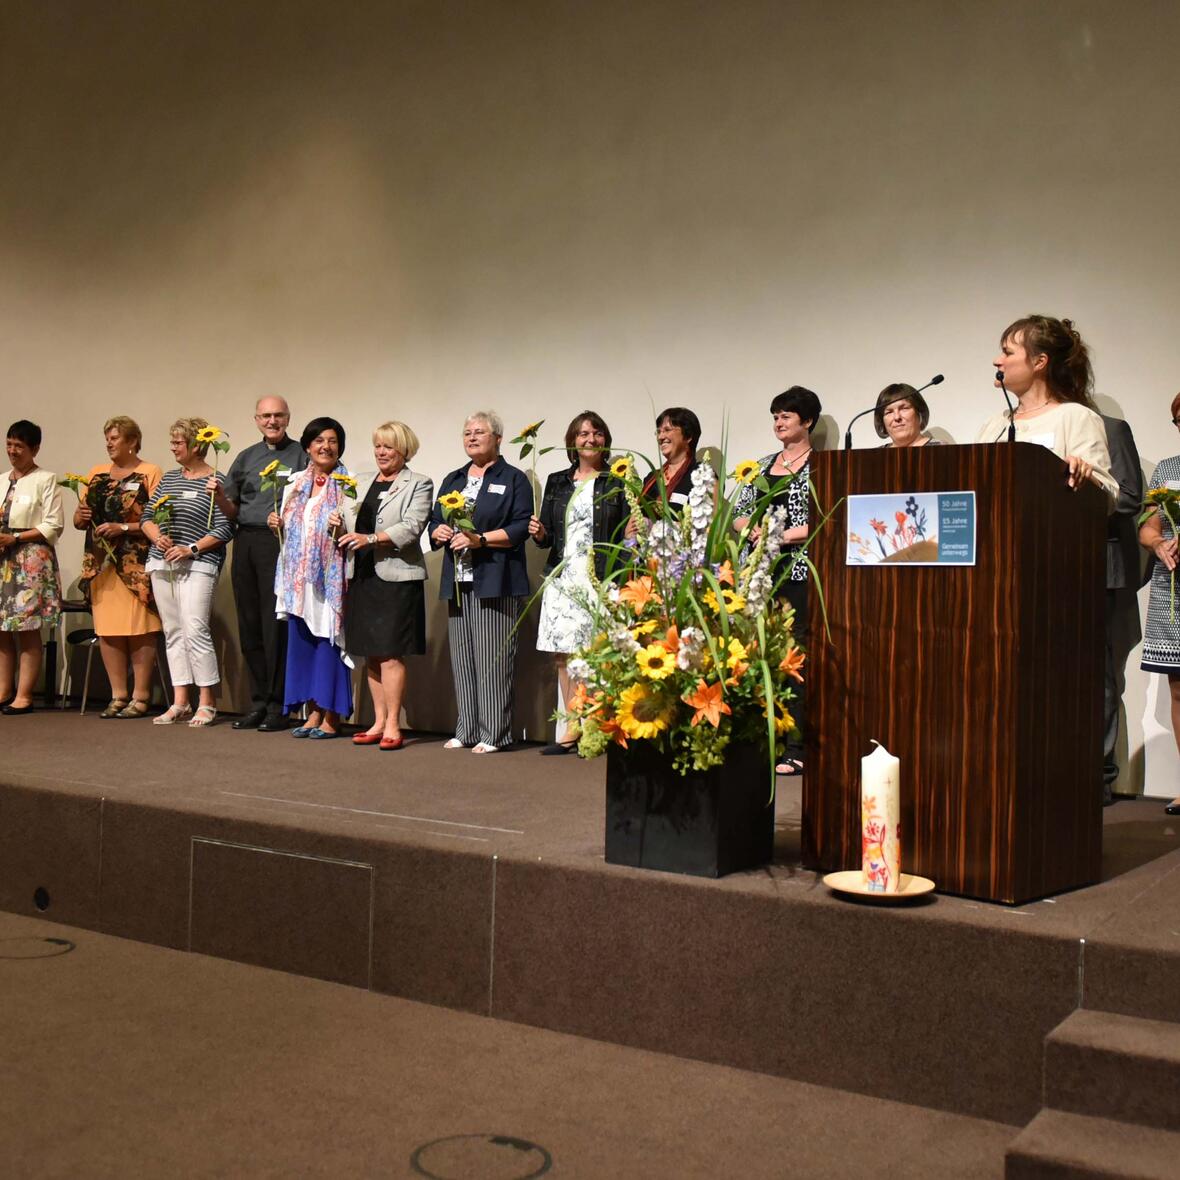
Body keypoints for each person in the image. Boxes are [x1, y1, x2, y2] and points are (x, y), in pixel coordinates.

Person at [428, 411, 531, 753]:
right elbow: (433, 521)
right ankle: (467, 727)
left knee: (493, 660)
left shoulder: (513, 478)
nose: (472, 437)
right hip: (458, 580)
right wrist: (438, 530)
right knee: (463, 659)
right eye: (467, 432)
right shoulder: (454, 478)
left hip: (495, 580)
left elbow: (519, 528)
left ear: (498, 438)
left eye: (480, 432)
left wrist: (481, 540)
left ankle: (494, 733)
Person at [734, 385, 823, 777]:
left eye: (787, 415)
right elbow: (737, 512)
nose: (779, 422)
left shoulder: (823, 465)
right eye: (775, 416)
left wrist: (782, 535)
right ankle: (761, 740)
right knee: (759, 655)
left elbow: (825, 517)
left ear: (807, 420)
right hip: (758, 571)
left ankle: (798, 746)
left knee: (795, 657)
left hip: (798, 571)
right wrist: (751, 531)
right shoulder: (761, 464)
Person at [529, 411, 627, 754]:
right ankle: (571, 726)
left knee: (599, 652)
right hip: (562, 573)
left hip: (599, 576)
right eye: (583, 433)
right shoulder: (557, 481)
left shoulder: (618, 480)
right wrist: (540, 534)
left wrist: (621, 579)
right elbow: (548, 537)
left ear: (605, 439)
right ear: (573, 441)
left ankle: (599, 726)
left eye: (596, 433)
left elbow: (627, 535)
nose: (590, 439)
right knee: (564, 653)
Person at [333, 421, 433, 751]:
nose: (381, 452)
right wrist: (336, 523)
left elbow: (412, 527)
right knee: (371, 655)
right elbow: (348, 526)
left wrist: (372, 538)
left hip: (396, 577)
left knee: (390, 654)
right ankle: (377, 720)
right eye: (377, 446)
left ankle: (393, 724)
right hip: (361, 576)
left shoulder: (419, 483)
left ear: (404, 450)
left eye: (388, 446)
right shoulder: (360, 483)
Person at [212, 395, 308, 731]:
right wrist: (220, 498)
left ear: (288, 417)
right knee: (249, 623)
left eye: (278, 415)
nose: (272, 421)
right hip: (247, 541)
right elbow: (232, 509)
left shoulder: (302, 455)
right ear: (256, 420)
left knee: (275, 626)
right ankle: (258, 701)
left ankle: (279, 705)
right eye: (265, 416)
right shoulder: (246, 457)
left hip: (279, 544)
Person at [141, 419, 235, 728]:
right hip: (162, 561)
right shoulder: (169, 479)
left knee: (195, 628)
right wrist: (157, 537)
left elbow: (225, 527)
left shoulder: (217, 480)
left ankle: (207, 702)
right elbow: (147, 517)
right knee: (173, 631)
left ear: (197, 445)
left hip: (198, 563)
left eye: (178, 442)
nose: (172, 447)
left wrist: (191, 548)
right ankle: (180, 701)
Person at [73, 416, 162, 718]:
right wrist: (82, 515)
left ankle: (141, 695)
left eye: (115, 438)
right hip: (101, 562)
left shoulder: (149, 472)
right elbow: (77, 521)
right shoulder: (96, 474)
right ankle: (118, 695)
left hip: (134, 561)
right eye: (107, 438)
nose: (109, 443)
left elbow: (158, 520)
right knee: (109, 630)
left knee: (139, 628)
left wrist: (122, 527)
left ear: (133, 441)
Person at [270, 417, 352, 738]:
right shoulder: (295, 484)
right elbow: (294, 527)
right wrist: (275, 521)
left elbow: (355, 526)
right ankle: (313, 711)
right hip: (298, 579)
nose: (325, 446)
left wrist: (343, 526)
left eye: (332, 441)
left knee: (328, 642)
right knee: (304, 642)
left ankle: (332, 715)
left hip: (329, 578)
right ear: (307, 446)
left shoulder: (349, 485)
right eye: (319, 440)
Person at [977, 315, 1117, 502]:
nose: (997, 360)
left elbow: (1108, 498)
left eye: (1007, 353)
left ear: (1039, 362)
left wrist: (1084, 475)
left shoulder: (1076, 417)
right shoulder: (994, 424)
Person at [0, 421, 64, 713]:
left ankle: (24, 695)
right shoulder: (2, 479)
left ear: (34, 449)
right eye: (10, 444)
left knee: (26, 627)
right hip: (3, 559)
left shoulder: (46, 479)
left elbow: (53, 523)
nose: (13, 451)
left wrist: (15, 537)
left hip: (30, 559)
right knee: (2, 628)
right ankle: (3, 691)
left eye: (20, 446)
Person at [1138, 393, 1180, 815]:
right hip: (1172, 590)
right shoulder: (1168, 469)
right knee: (1179, 689)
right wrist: (1157, 542)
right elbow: (1148, 522)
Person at [1100, 412, 1143, 804]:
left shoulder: (1109, 427)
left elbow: (1130, 496)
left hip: (1103, 572)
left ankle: (1100, 778)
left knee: (1101, 681)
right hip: (1043, 567)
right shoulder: (1014, 424)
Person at [874, 384, 942, 448]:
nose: (897, 417)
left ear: (919, 412)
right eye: (889, 412)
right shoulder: (874, 456)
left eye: (904, 408)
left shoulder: (942, 450)